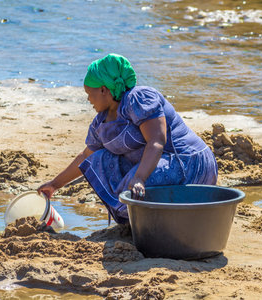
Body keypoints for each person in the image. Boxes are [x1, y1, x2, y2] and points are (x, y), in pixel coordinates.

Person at [37, 53, 218, 224]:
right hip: (157, 165)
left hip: (188, 164)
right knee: (97, 159)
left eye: (89, 93)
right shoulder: (100, 123)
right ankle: (141, 222)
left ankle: (151, 220)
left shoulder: (138, 99)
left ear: (103, 90)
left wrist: (139, 177)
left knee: (130, 190)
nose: (88, 99)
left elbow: (156, 141)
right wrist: (54, 184)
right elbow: (86, 156)